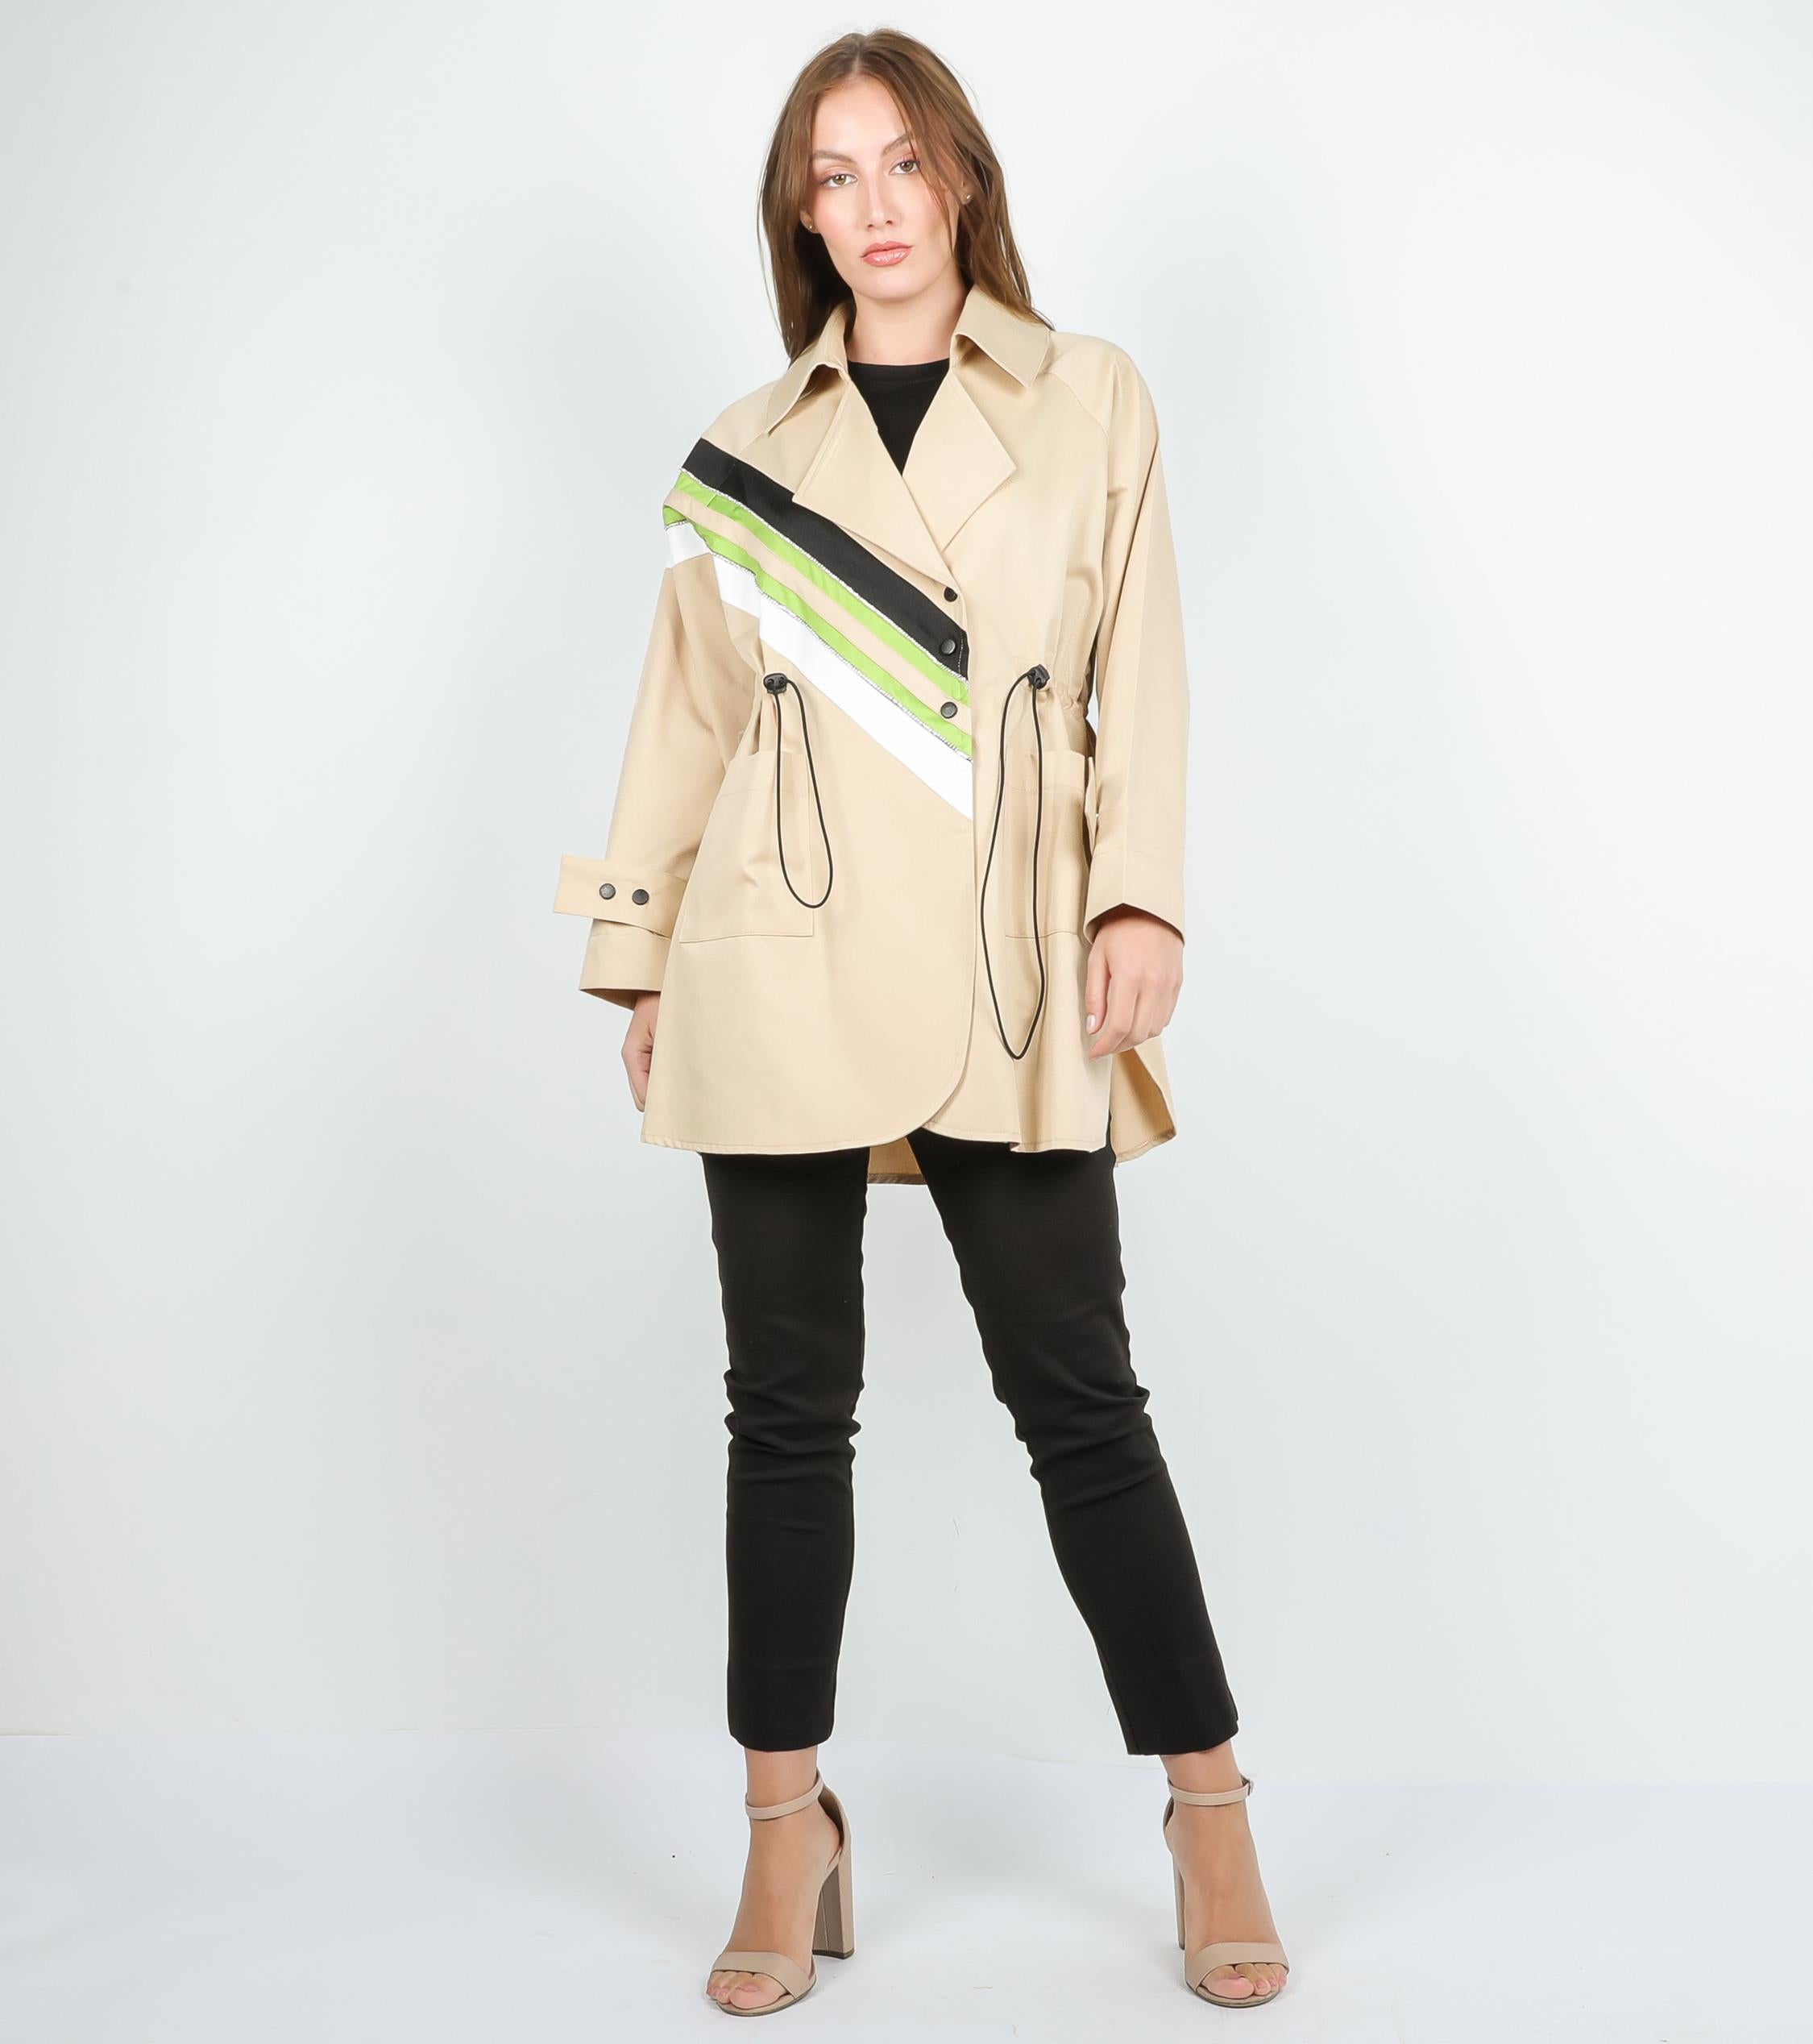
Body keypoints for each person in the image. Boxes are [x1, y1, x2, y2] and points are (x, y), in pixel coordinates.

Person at [554, 29, 1290, 2018]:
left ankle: (1209, 1805)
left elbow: (1144, 661)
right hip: (774, 956)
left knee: (1082, 1398)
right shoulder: (744, 451)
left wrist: (1141, 892)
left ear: (960, 176)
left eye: (903, 163)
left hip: (1008, 956)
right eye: (833, 174)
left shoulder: (1090, 395)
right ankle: (782, 1823)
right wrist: (640, 960)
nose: (874, 206)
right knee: (786, 1413)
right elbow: (683, 722)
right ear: (800, 213)